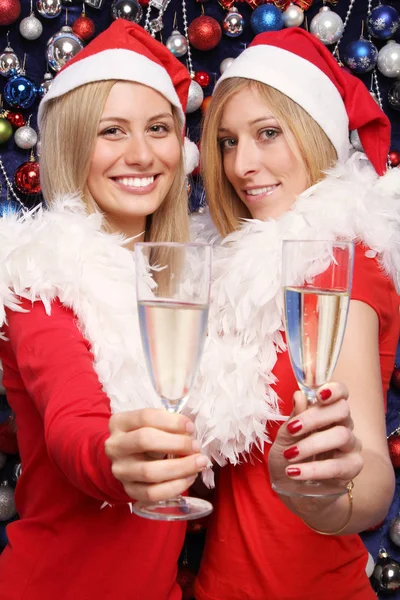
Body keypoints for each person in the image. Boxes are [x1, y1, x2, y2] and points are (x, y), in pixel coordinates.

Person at [187, 28, 400, 600]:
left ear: (315, 135)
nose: (241, 165)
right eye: (228, 142)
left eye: (268, 134)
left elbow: (373, 476)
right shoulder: (224, 270)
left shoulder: (335, 264)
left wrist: (319, 494)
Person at [0, 19, 208, 600]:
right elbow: (74, 424)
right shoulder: (38, 277)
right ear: (71, 144)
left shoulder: (191, 282)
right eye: (111, 130)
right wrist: (114, 457)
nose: (141, 154)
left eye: (158, 129)